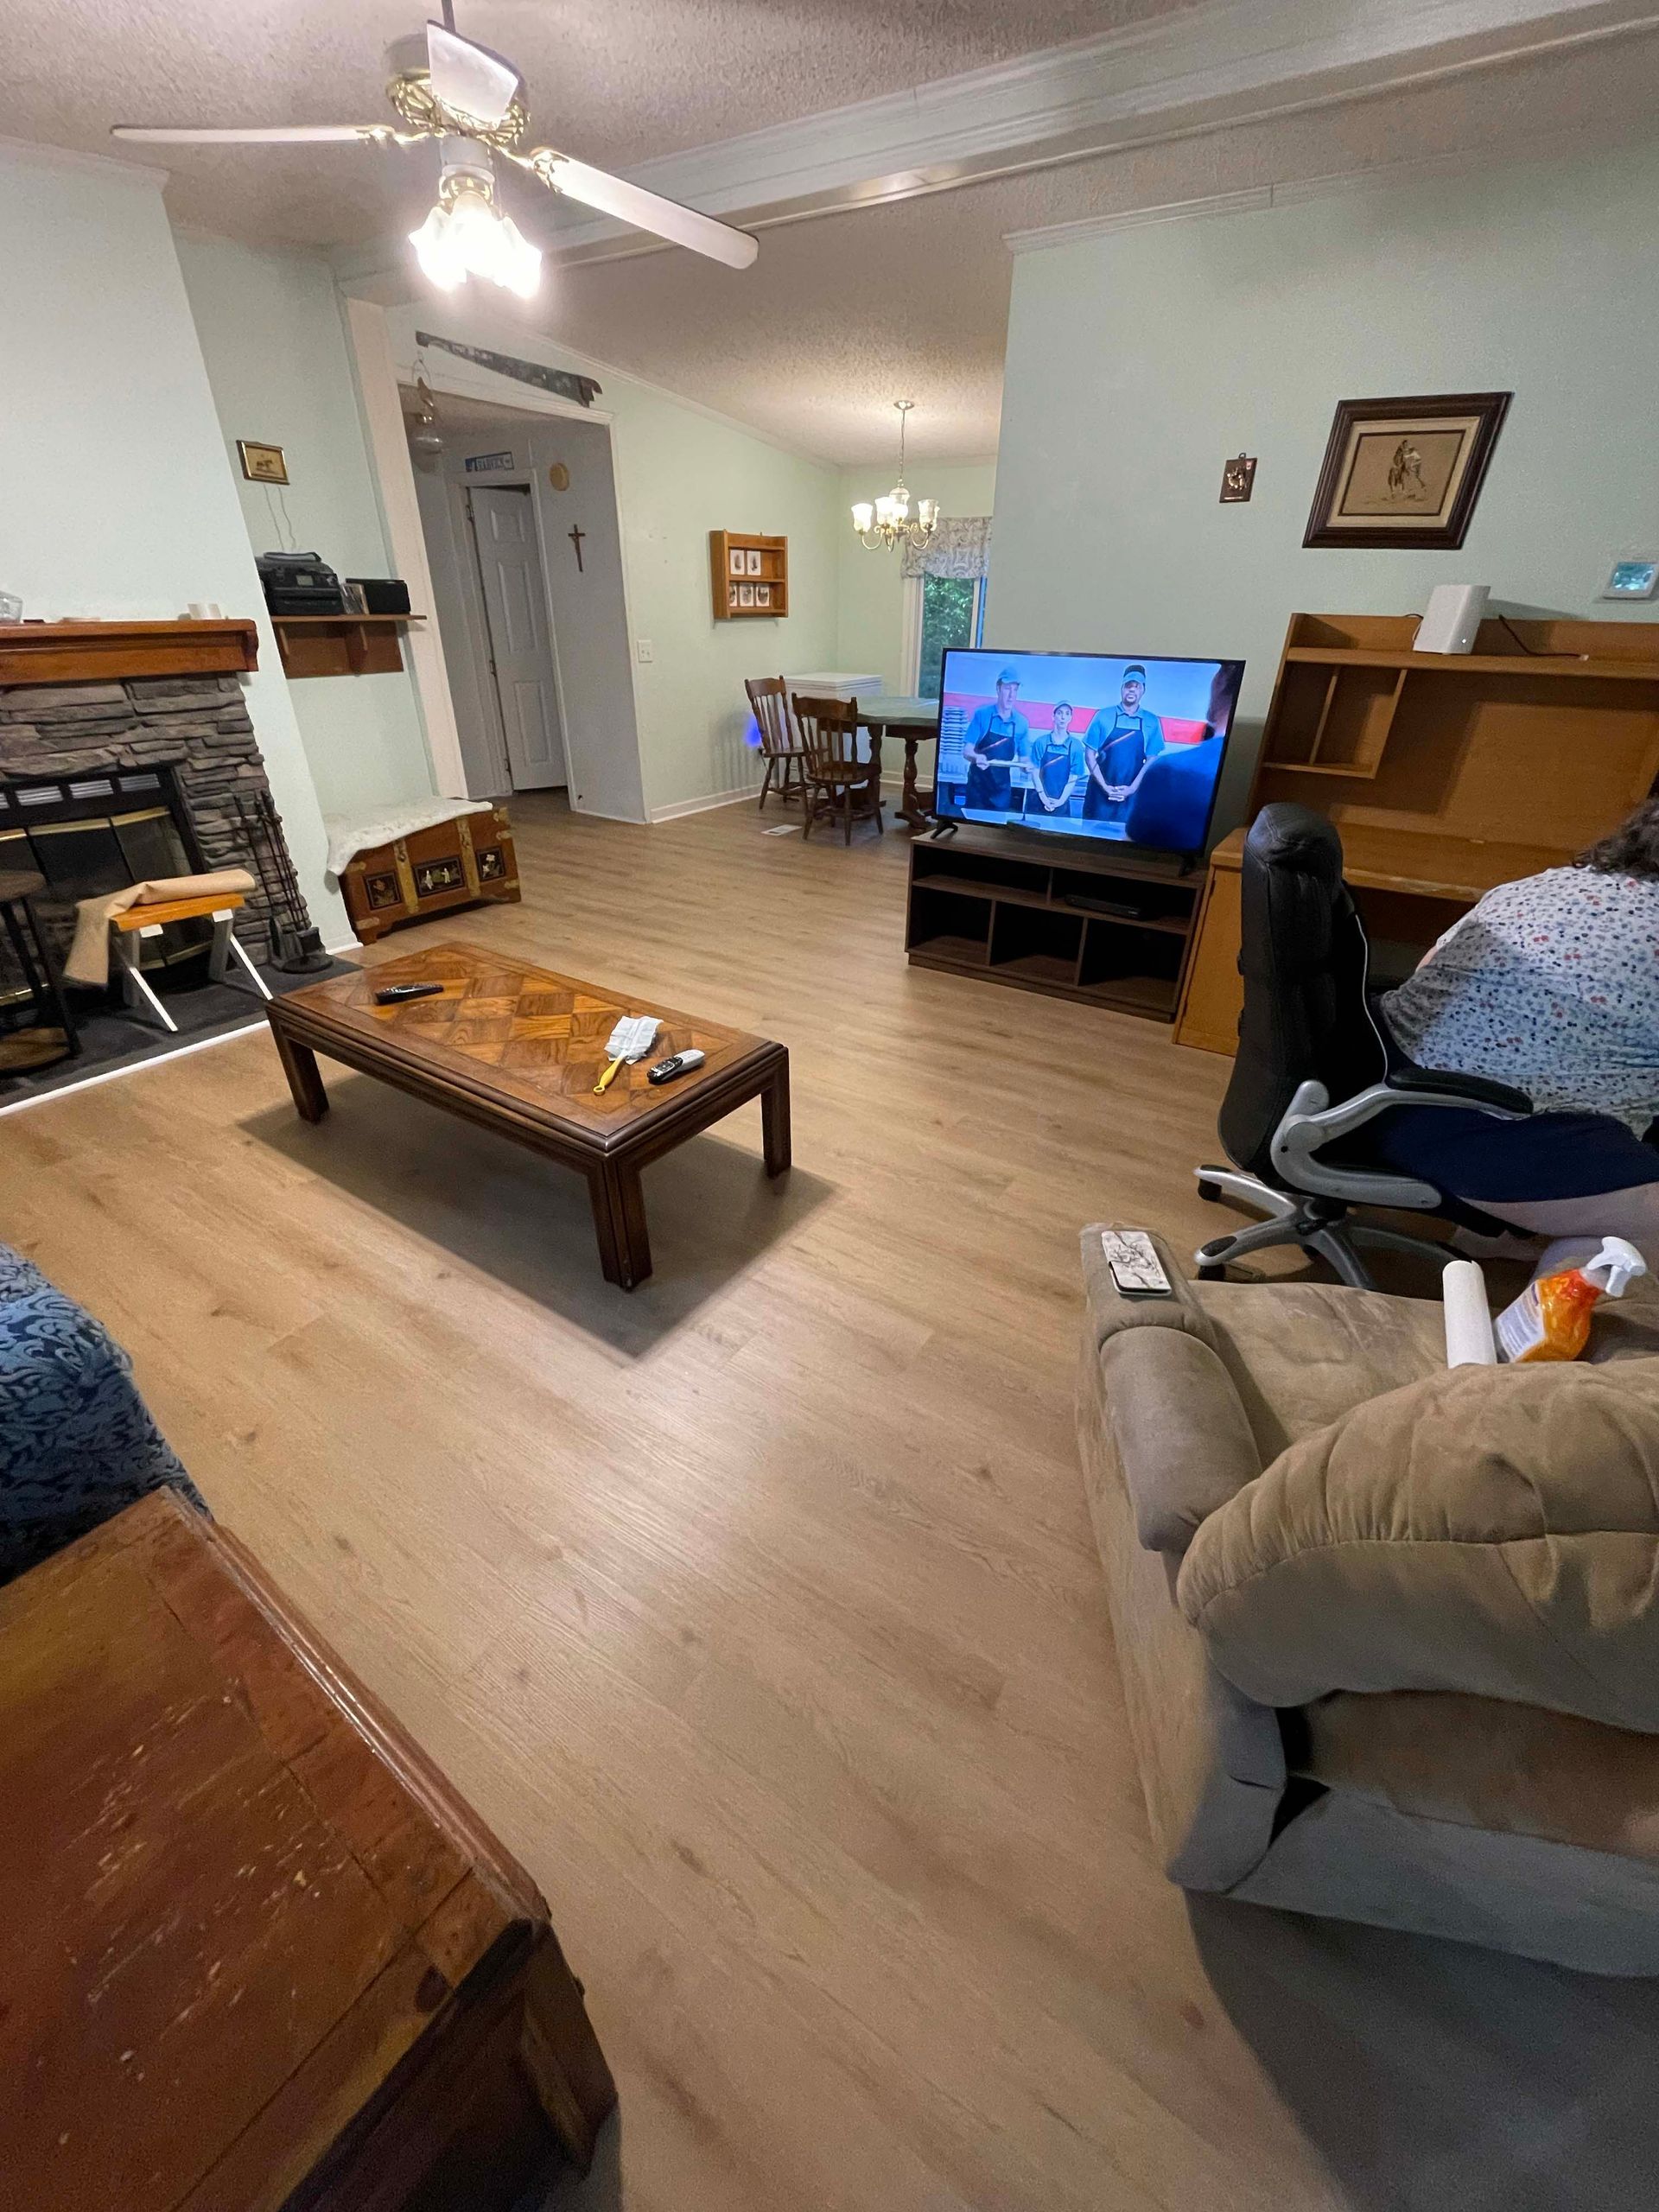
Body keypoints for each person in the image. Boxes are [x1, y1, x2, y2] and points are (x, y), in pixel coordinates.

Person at [1374, 797, 1659, 1262]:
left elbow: (1424, 971)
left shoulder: (1541, 884)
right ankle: (1532, 1331)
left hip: (1375, 1081)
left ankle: (1514, 1246)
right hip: (1478, 1131)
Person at [1082, 665, 1166, 826]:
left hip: (1131, 797)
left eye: (1137, 686)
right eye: (1129, 686)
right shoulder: (1103, 716)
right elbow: (1089, 755)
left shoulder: (1152, 721)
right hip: (1099, 794)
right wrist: (1105, 787)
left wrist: (1132, 789)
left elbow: (1151, 760)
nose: (1132, 690)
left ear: (1143, 690)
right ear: (1122, 688)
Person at [961, 668, 1028, 814]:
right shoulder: (982, 715)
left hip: (1001, 791)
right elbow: (967, 751)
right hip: (978, 788)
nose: (1011, 695)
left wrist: (1029, 767)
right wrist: (976, 757)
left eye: (1015, 690)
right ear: (998, 689)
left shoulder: (1022, 723)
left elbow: (1024, 761)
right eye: (1007, 689)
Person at [1020, 703, 1086, 823]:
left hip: (1062, 805)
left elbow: (1073, 778)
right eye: (1059, 713)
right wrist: (1043, 797)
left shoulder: (1076, 746)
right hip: (1037, 802)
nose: (1063, 717)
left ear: (1070, 718)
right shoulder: (1040, 742)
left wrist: (1060, 801)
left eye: (1067, 714)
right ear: (1053, 716)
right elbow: (1035, 773)